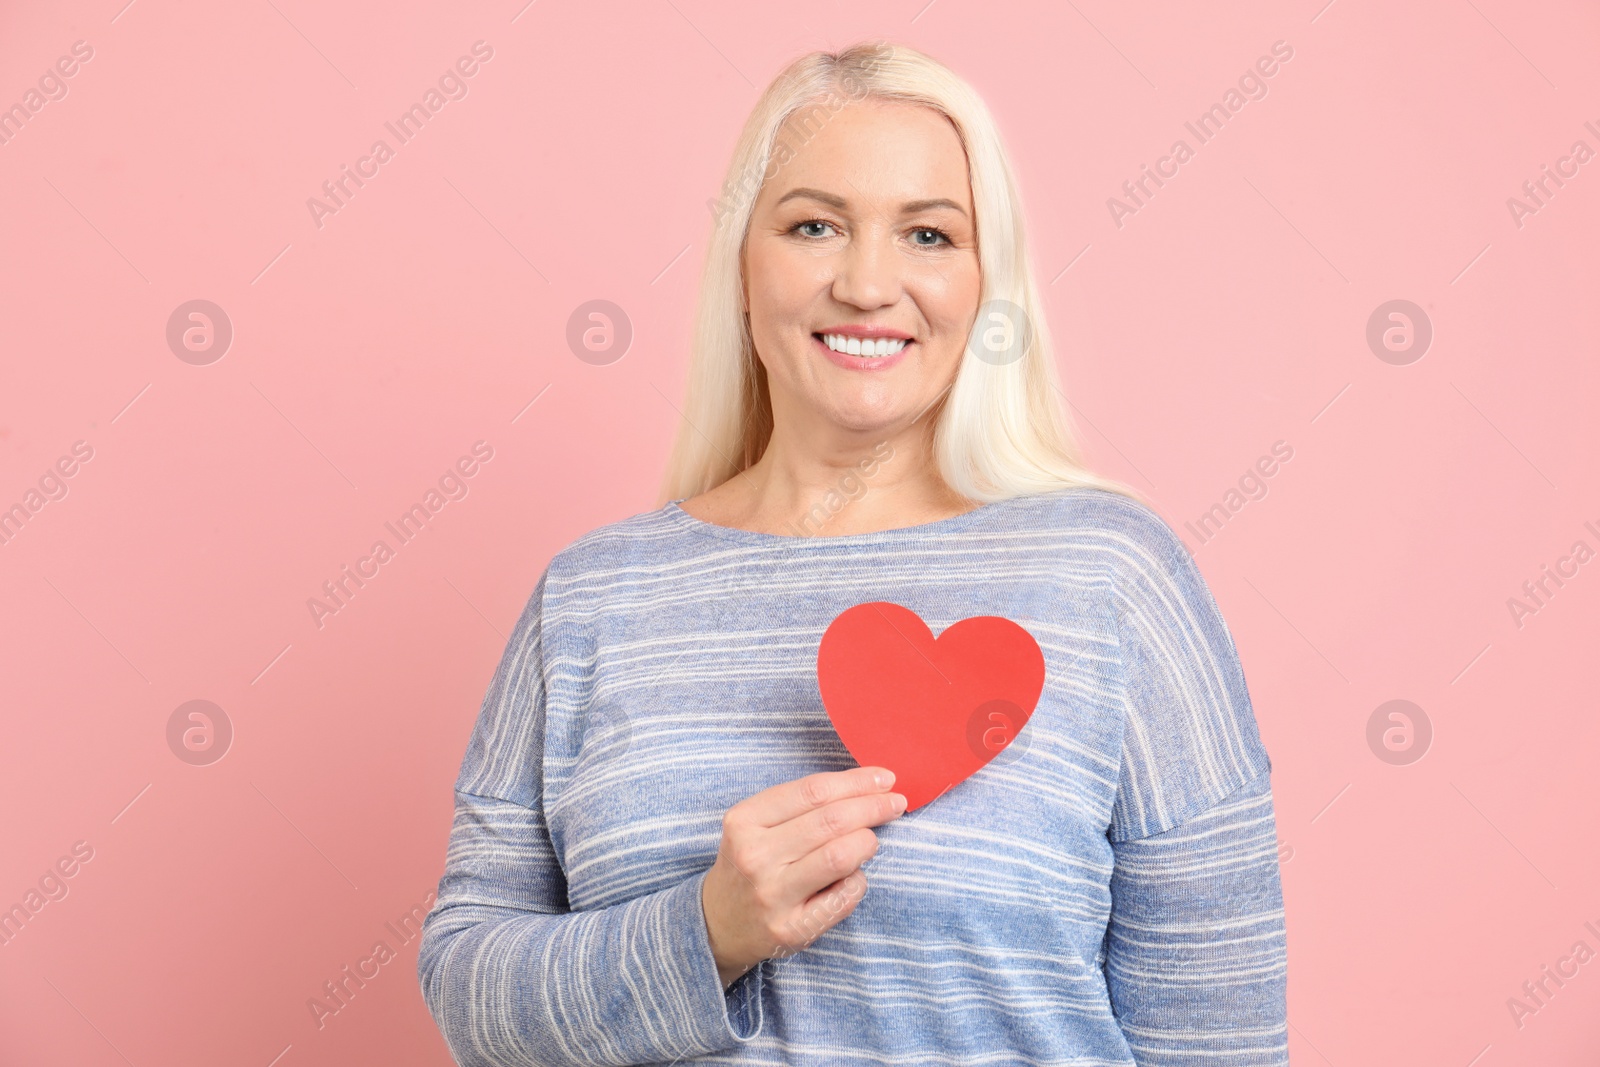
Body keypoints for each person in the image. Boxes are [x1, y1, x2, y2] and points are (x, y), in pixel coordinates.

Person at [417, 40, 1287, 1066]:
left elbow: (1220, 1036)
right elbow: (470, 993)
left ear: (984, 285)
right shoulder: (592, 595)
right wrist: (705, 930)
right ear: (743, 265)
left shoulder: (1112, 577)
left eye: (927, 233)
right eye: (814, 225)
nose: (869, 282)